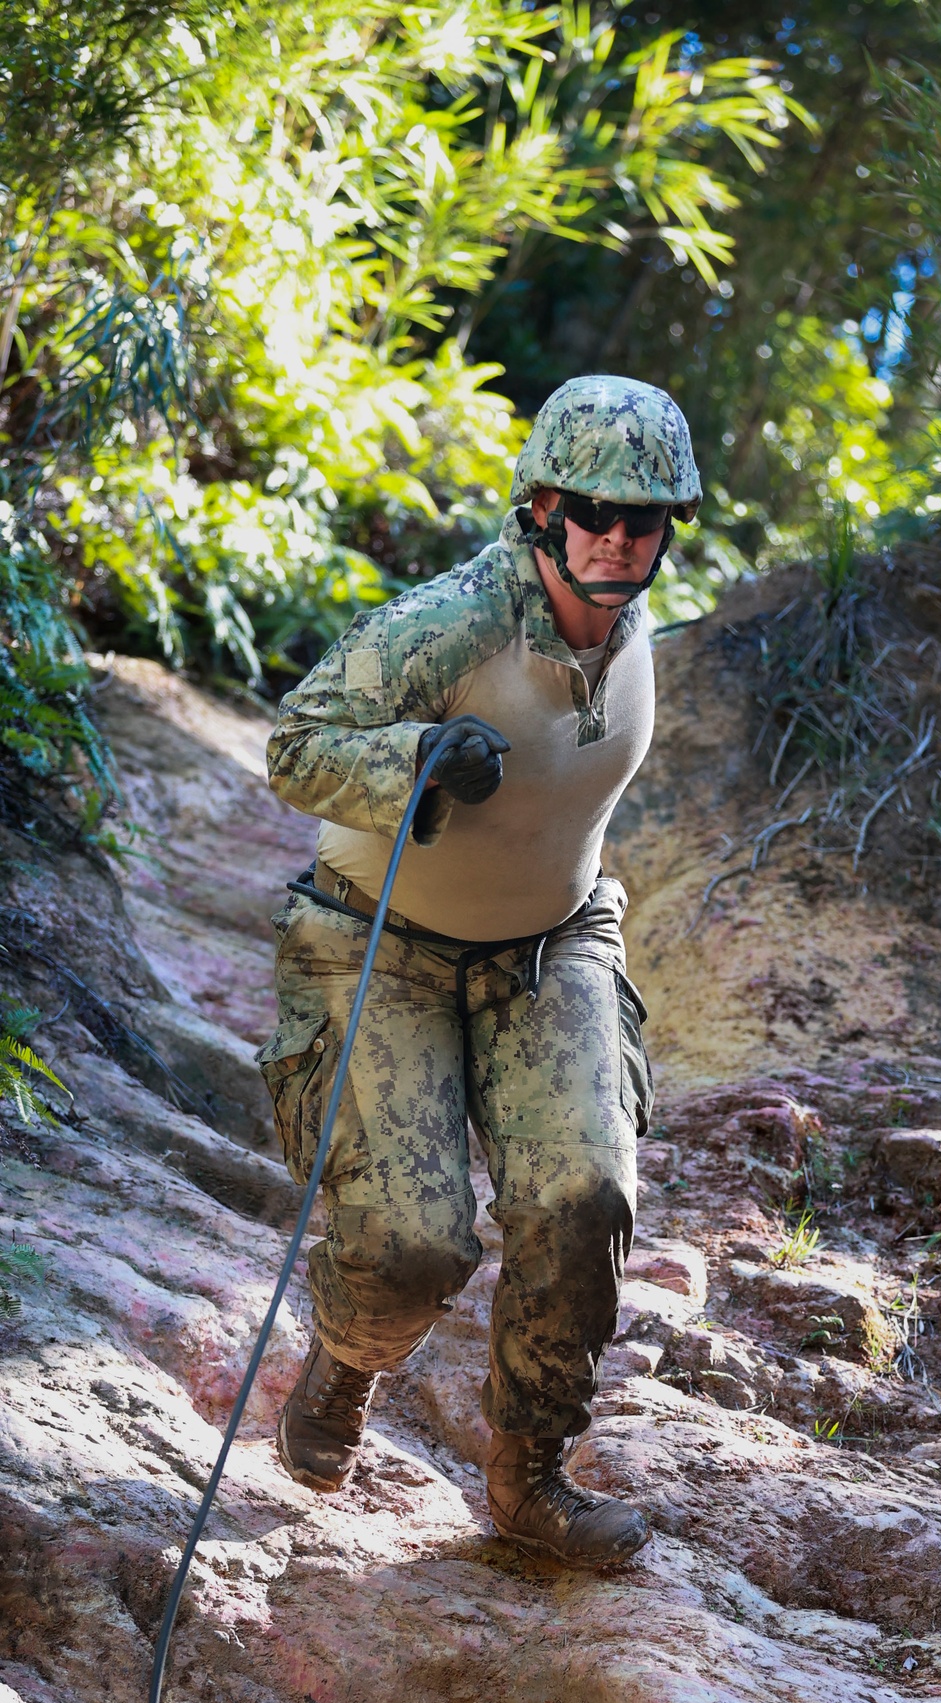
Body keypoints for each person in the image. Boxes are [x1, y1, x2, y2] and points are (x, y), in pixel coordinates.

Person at [258, 374, 700, 1567]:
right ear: (544, 507)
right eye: (596, 510)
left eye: (646, 517)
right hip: (376, 939)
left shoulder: (642, 622)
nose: (619, 536)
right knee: (411, 1242)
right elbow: (293, 747)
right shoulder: (451, 623)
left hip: (553, 942)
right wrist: (415, 756)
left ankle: (529, 1476)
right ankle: (345, 1367)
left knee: (583, 1196)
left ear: (671, 528)